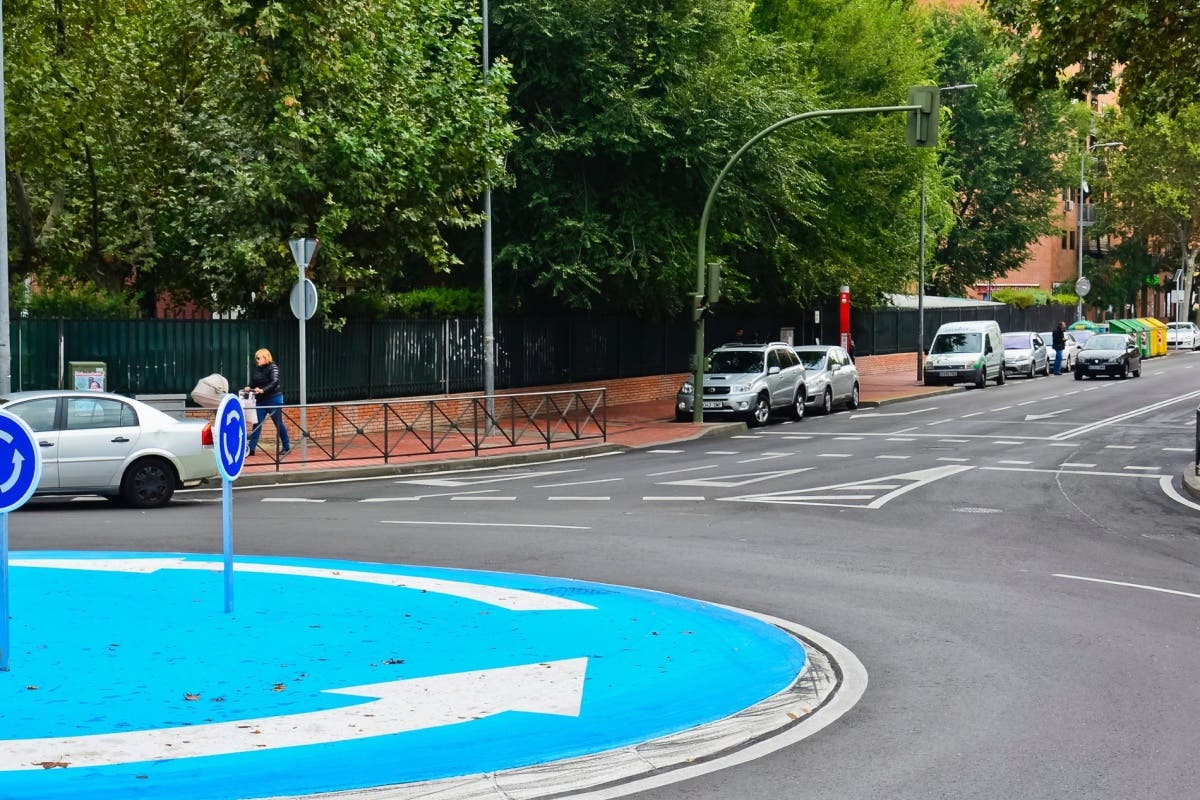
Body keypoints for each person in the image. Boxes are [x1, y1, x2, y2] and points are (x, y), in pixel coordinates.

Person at [244, 348, 292, 456]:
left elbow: (275, 382)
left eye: (258, 358)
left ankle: (287, 447)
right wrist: (248, 387)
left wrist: (263, 390)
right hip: (260, 400)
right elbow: (253, 381)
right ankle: (251, 449)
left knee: (278, 423)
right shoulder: (258, 369)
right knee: (257, 423)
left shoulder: (273, 367)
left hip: (274, 399)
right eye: (256, 358)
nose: (257, 360)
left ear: (265, 357)